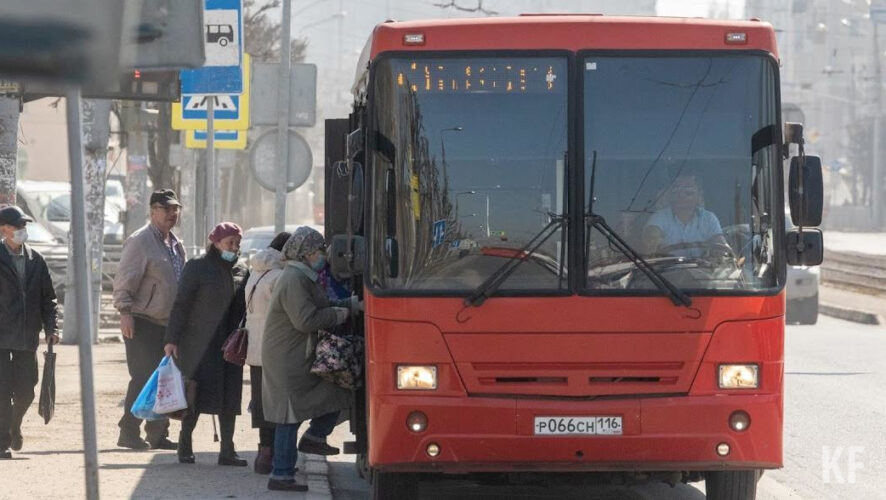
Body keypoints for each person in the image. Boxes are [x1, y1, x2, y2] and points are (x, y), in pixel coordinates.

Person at [262, 226, 360, 492]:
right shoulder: (293, 280)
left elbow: (320, 302)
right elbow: (306, 320)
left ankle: (315, 437)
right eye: (318, 251)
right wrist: (340, 315)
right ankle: (281, 474)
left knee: (337, 391)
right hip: (288, 359)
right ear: (306, 254)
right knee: (288, 416)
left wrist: (348, 304)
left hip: (297, 356)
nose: (322, 256)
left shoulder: (303, 277)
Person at [164, 222, 249, 466]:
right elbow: (181, 304)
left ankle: (227, 450)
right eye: (229, 242)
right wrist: (172, 339)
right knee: (195, 395)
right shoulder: (198, 267)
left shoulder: (241, 271)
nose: (234, 247)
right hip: (199, 344)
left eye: (237, 243)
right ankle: (185, 444)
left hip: (231, 344)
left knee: (230, 397)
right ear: (216, 242)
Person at [112, 189, 184, 450]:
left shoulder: (175, 243)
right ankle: (128, 431)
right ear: (153, 211)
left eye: (175, 209)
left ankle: (157, 433)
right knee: (142, 377)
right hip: (142, 321)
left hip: (167, 324)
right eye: (166, 209)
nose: (172, 214)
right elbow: (125, 280)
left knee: (164, 379)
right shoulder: (141, 241)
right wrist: (125, 312)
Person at [0, 206, 59, 459]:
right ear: (4, 229)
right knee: (2, 391)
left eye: (24, 225)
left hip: (27, 337)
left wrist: (51, 327)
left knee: (27, 390)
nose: (23, 230)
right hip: (1, 337)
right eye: (17, 226)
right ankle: (2, 441)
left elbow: (49, 299)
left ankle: (14, 426)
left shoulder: (36, 260)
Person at [244, 231, 290, 474]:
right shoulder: (280, 276)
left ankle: (263, 453)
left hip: (255, 346)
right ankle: (273, 455)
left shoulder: (256, 273)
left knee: (261, 403)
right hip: (275, 346)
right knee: (276, 404)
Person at [642, 173, 729, 257]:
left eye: (688, 191)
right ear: (670, 194)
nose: (681, 195)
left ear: (699, 194)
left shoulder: (709, 218)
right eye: (676, 190)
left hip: (703, 269)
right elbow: (652, 238)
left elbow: (720, 244)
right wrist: (654, 240)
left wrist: (722, 252)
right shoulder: (659, 217)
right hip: (665, 270)